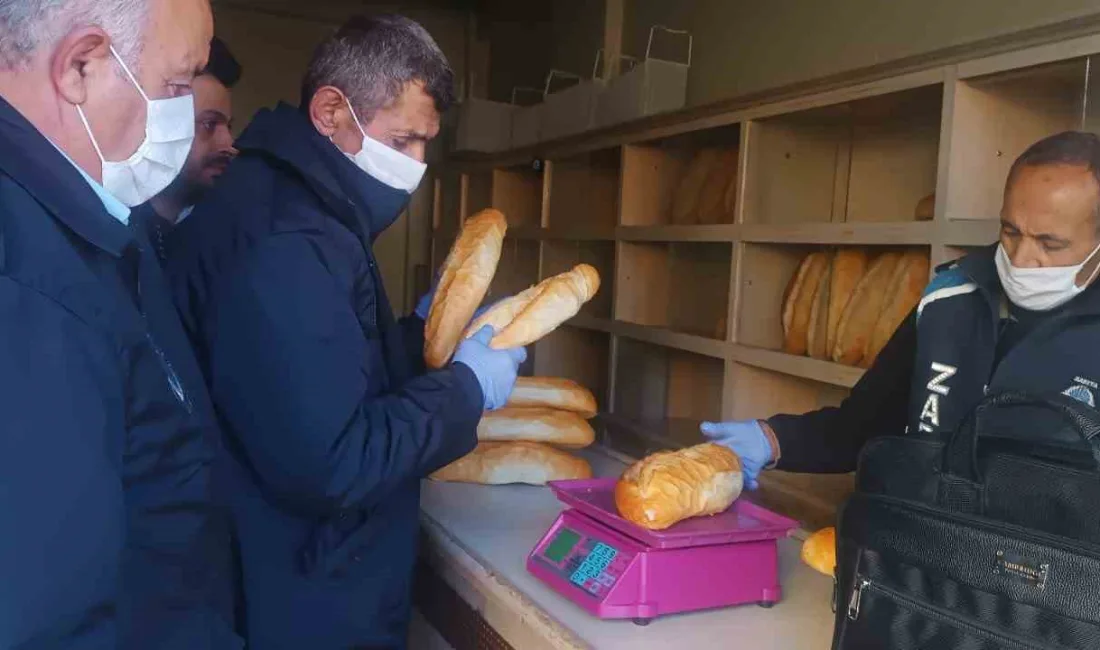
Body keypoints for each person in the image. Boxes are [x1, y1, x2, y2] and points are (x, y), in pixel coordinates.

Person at [166, 14, 526, 649]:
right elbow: (334, 463)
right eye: (406, 140)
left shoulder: (306, 208)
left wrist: (417, 337)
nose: (418, 166)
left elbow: (327, 372)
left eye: (427, 145)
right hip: (299, 600)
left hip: (300, 580)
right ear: (331, 112)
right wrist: (466, 390)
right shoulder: (286, 238)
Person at [0, 0, 238, 648]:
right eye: (178, 86)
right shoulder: (27, 283)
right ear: (80, 66)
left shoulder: (86, 227)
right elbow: (42, 621)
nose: (183, 116)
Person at [703, 130, 1100, 487]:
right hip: (921, 551)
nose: (1021, 258)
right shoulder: (950, 298)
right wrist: (773, 440)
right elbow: (865, 425)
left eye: (1050, 244)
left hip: (1044, 565)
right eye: (1010, 232)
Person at [133, 36, 241, 262]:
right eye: (209, 124)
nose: (229, 144)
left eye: (228, 127)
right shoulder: (115, 229)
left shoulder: (219, 237)